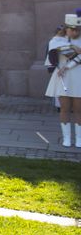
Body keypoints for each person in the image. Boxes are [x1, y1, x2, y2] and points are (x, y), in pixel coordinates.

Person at [45, 13, 81, 147]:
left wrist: (76, 55)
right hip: (63, 76)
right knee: (64, 108)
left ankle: (79, 139)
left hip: (78, 76)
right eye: (72, 28)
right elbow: (52, 57)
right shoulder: (56, 40)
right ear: (66, 28)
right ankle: (66, 138)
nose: (75, 31)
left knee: (79, 109)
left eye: (78, 29)